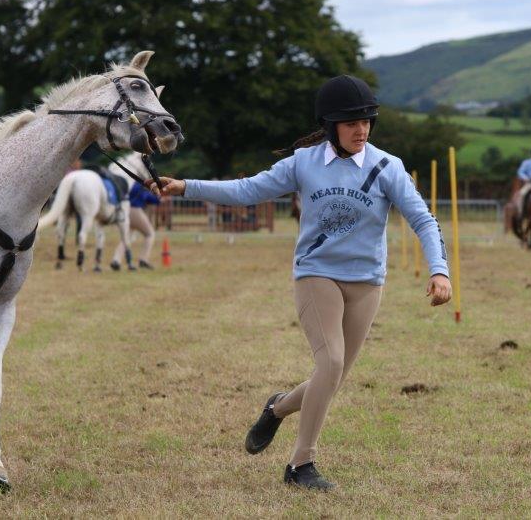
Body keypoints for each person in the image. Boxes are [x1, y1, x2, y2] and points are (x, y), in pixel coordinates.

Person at [145, 75, 452, 490]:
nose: (361, 130)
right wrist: (186, 187)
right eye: (351, 123)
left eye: (366, 121)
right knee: (332, 364)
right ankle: (300, 465)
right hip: (316, 274)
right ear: (331, 126)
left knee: (332, 377)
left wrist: (439, 270)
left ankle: (277, 408)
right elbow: (248, 190)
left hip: (367, 283)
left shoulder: (387, 167)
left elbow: (424, 220)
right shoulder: (304, 162)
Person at [110, 181, 160, 270]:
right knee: (150, 234)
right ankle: (143, 260)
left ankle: (116, 260)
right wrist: (158, 196)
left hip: (125, 210)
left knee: (126, 237)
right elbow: (150, 198)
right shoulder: (141, 186)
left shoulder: (129, 183)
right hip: (135, 210)